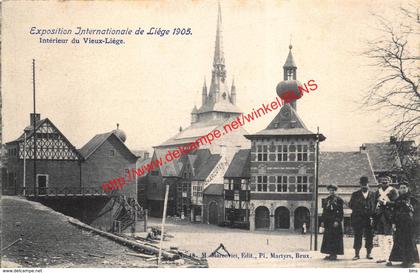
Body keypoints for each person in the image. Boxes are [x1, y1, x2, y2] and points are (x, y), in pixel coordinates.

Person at [388, 181, 419, 267]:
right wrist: (393, 223)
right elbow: (394, 212)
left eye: (404, 188)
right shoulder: (397, 200)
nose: (403, 189)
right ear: (399, 189)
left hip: (410, 225)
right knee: (400, 241)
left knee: (409, 242)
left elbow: (417, 212)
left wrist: (415, 223)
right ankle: (403, 259)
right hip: (400, 224)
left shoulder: (412, 199)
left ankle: (410, 261)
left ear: (408, 188)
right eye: (401, 188)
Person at [349, 176, 376, 260]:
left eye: (366, 184)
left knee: (369, 236)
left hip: (369, 219)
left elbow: (375, 206)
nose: (364, 186)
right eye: (362, 184)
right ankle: (357, 254)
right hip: (358, 219)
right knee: (358, 236)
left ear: (368, 185)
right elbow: (351, 205)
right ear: (360, 185)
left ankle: (369, 253)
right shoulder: (355, 194)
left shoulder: (373, 194)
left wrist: (373, 216)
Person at [374, 174, 398, 263]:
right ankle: (382, 256)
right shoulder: (378, 191)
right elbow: (374, 203)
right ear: (380, 181)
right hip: (379, 216)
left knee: (389, 237)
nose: (384, 181)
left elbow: (396, 204)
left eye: (386, 180)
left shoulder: (393, 191)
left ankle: (390, 257)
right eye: (382, 180)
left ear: (390, 181)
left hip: (389, 216)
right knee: (380, 236)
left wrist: (385, 203)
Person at [320, 184, 344, 260]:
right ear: (328, 191)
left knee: (335, 238)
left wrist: (337, 221)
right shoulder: (326, 200)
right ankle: (330, 253)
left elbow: (341, 212)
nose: (331, 192)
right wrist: (323, 221)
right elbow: (324, 211)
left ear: (335, 191)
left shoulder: (339, 200)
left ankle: (334, 254)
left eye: (333, 190)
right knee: (328, 238)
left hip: (335, 222)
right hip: (328, 222)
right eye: (330, 190)